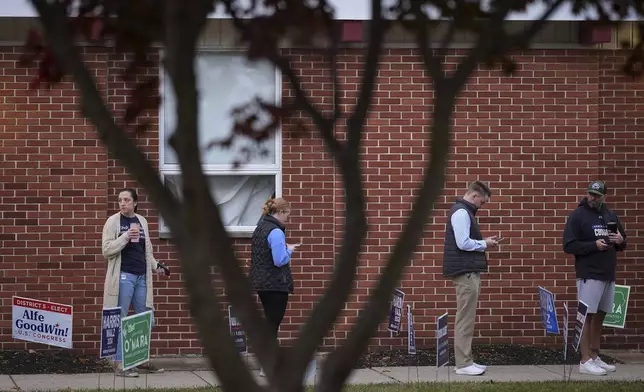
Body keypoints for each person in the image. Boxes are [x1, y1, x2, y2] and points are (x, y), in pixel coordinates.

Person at [101, 188, 167, 377]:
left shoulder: (142, 221)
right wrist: (125, 237)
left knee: (143, 318)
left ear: (135, 203)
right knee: (122, 319)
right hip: (123, 276)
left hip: (141, 277)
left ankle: (141, 360)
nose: (122, 203)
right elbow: (106, 250)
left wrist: (157, 266)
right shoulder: (113, 222)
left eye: (127, 200)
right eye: (120, 200)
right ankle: (121, 364)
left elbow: (147, 252)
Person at [563, 180, 627, 376]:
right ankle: (584, 360)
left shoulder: (610, 214)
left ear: (604, 196)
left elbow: (623, 241)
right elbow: (568, 245)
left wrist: (620, 240)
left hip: (608, 273)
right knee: (587, 316)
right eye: (591, 194)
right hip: (589, 274)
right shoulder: (578, 215)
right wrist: (594, 245)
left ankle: (594, 355)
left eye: (597, 195)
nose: (593, 198)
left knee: (601, 315)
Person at [442, 181, 500, 376]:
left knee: (466, 317)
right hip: (465, 272)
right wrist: (485, 243)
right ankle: (464, 363)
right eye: (482, 203)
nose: (480, 206)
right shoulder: (461, 213)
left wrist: (484, 242)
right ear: (474, 195)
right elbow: (463, 243)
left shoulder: (463, 212)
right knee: (465, 319)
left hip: (466, 271)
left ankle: (466, 361)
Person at [249, 197, 299, 377]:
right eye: (287, 215)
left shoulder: (260, 227)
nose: (288, 219)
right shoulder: (276, 232)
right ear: (280, 212)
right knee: (272, 324)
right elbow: (279, 260)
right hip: (276, 284)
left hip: (261, 282)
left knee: (269, 322)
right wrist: (290, 250)